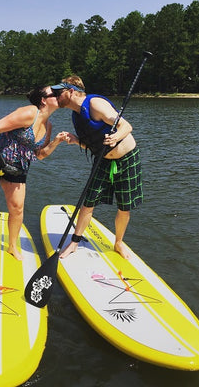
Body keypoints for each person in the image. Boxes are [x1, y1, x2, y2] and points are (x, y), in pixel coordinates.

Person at [0, 86, 69, 260]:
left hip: (18, 167)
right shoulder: (28, 113)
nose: (58, 96)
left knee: (17, 208)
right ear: (43, 100)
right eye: (54, 94)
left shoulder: (48, 126)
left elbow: (39, 155)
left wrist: (56, 142)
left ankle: (12, 246)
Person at [51, 76, 143, 260]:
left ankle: (118, 243)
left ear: (70, 92)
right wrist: (77, 141)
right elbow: (92, 145)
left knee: (124, 207)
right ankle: (75, 242)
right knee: (88, 201)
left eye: (58, 93)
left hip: (127, 158)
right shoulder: (76, 115)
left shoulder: (95, 105)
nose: (55, 97)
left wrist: (116, 137)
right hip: (102, 160)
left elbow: (126, 126)